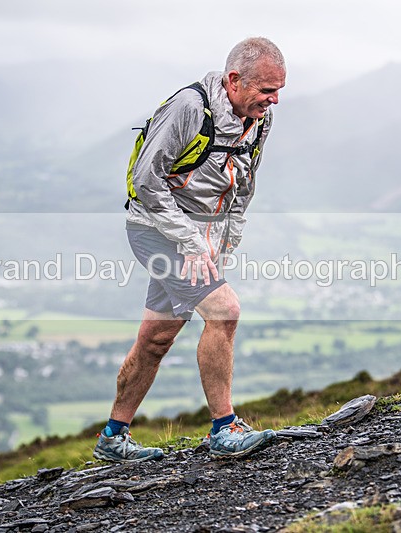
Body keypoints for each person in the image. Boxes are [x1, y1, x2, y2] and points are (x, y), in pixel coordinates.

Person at [94, 37, 286, 462]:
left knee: (156, 339)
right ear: (234, 80)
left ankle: (112, 437)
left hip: (202, 234)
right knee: (225, 310)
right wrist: (190, 242)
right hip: (155, 227)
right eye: (266, 90)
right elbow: (147, 181)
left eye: (279, 91)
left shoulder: (259, 118)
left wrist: (230, 235)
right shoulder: (188, 108)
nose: (273, 101)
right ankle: (224, 428)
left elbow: (245, 178)